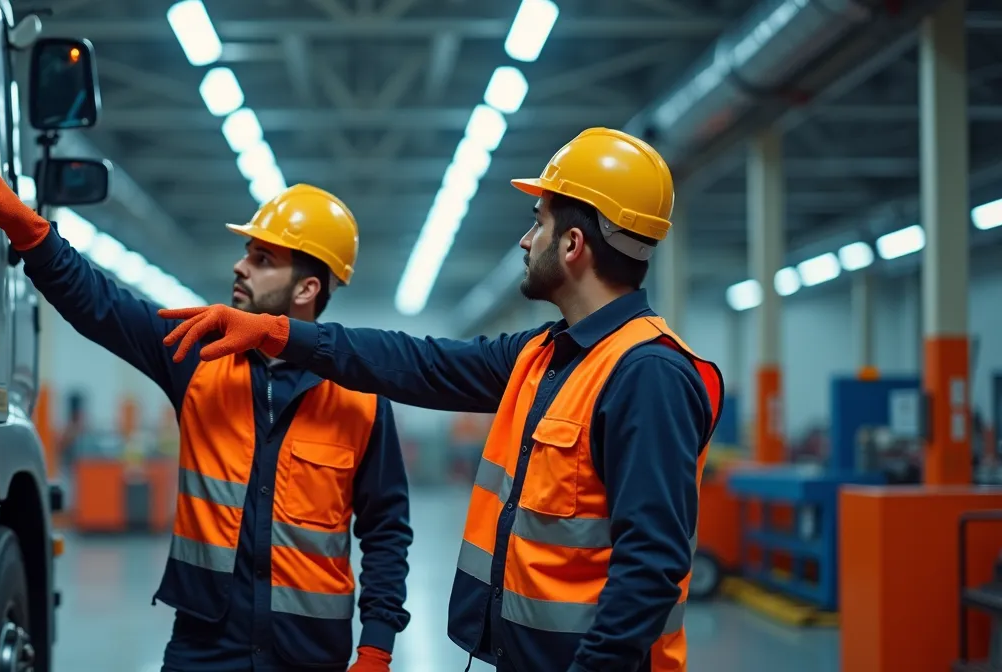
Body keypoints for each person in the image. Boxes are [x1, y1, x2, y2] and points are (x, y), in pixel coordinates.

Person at [157, 127, 725, 672]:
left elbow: (650, 570)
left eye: (539, 223)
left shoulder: (646, 373)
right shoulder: (544, 355)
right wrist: (278, 333)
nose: (528, 241)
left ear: (573, 245)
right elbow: (416, 363)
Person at [0, 144, 412, 672]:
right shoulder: (198, 355)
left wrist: (376, 647)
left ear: (307, 287)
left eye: (262, 259)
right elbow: (100, 304)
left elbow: (386, 528)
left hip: (310, 655)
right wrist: (27, 228)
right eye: (247, 253)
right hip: (204, 649)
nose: (240, 265)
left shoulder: (362, 395)